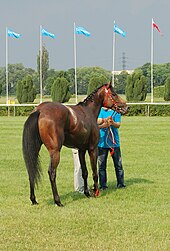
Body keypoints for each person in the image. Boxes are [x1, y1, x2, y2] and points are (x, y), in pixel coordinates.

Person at [97, 107, 126, 190]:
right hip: (101, 143)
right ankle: (103, 185)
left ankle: (121, 184)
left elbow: (118, 125)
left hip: (114, 143)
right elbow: (96, 121)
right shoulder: (99, 110)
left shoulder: (116, 112)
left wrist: (112, 122)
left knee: (118, 165)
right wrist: (104, 122)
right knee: (101, 166)